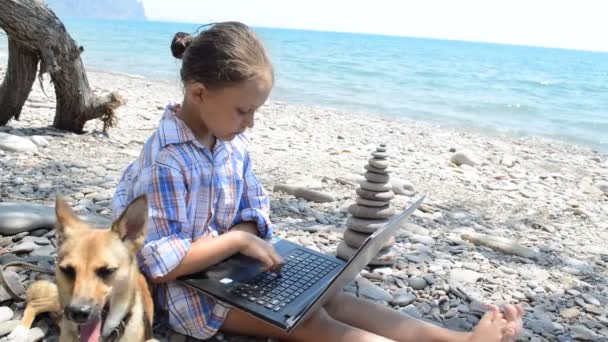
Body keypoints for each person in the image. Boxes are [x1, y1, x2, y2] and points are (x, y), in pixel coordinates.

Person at [111, 21, 523, 342]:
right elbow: (159, 263)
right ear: (199, 94)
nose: (250, 122)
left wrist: (246, 236)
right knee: (309, 320)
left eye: (255, 111)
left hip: (235, 270)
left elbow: (254, 208)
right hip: (195, 296)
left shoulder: (231, 140)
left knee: (332, 295)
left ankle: (457, 338)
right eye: (242, 110)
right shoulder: (167, 160)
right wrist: (236, 242)